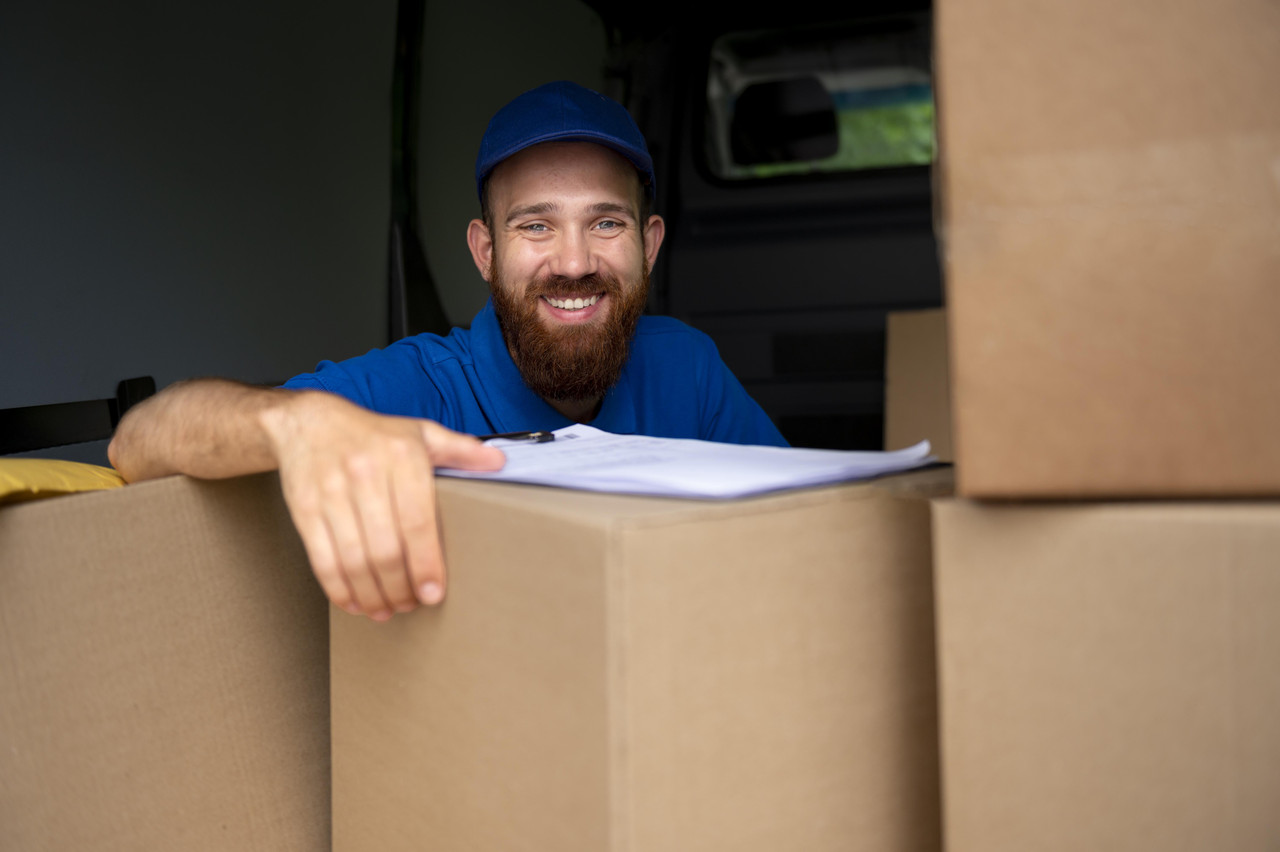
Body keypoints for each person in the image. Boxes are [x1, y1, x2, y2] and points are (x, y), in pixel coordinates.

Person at [110, 81, 785, 622]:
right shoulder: (416, 392)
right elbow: (138, 442)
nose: (574, 261)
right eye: (536, 225)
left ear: (651, 243)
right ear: (486, 252)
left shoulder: (689, 369)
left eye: (606, 222)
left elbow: (797, 532)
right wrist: (296, 425)